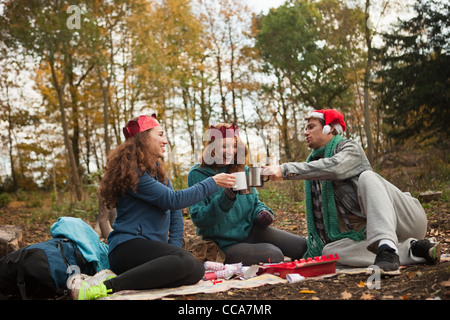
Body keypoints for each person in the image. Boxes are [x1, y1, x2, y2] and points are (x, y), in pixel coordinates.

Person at [69, 114, 236, 300]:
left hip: (150, 249)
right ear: (144, 138)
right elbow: (172, 200)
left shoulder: (158, 171)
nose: (165, 141)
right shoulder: (134, 172)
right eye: (160, 135)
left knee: (194, 270)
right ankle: (107, 286)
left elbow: (175, 214)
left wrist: (174, 251)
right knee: (186, 262)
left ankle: (135, 280)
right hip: (127, 248)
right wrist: (211, 182)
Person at [263, 109, 441, 274]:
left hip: (406, 220)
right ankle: (412, 249)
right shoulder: (315, 166)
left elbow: (334, 168)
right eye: (305, 128)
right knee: (329, 251)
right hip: (370, 234)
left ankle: (388, 246)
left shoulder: (350, 148)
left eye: (311, 127)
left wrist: (285, 169)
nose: (305, 132)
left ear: (329, 128)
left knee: (367, 177)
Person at [187, 123, 307, 265]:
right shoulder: (198, 174)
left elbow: (254, 202)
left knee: (301, 247)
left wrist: (262, 212)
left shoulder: (240, 169)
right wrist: (226, 198)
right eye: (224, 146)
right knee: (274, 256)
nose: (230, 151)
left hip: (250, 230)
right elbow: (199, 218)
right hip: (223, 243)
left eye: (233, 146)